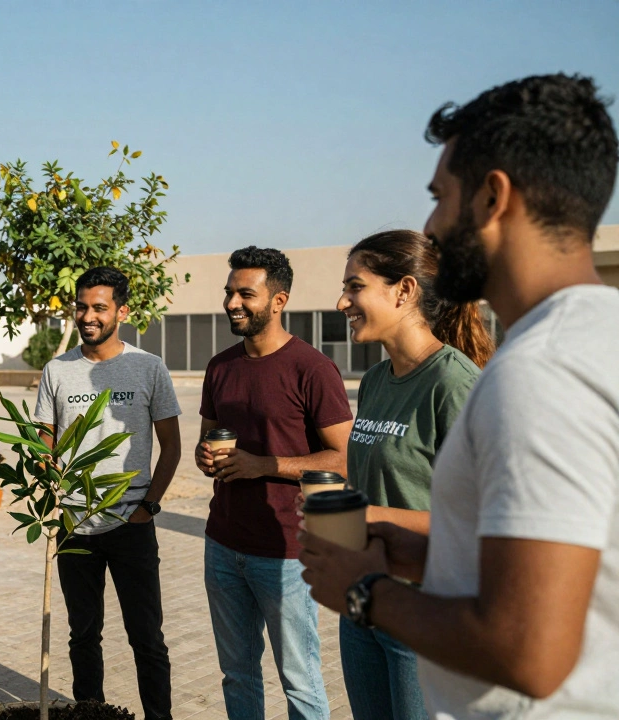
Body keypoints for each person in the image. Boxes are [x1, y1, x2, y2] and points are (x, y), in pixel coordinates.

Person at [299, 73, 619, 719]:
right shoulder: (596, 337)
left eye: (439, 196)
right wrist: (414, 549)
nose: (432, 225)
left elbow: (528, 650)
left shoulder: (540, 373)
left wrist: (364, 591)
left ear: (493, 197)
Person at [332, 229, 493, 719]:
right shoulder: (377, 380)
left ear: (404, 290)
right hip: (362, 602)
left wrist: (364, 513)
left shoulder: (454, 384)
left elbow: (482, 525)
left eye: (355, 286)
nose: (342, 302)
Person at [196, 246, 353, 720]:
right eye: (229, 293)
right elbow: (209, 440)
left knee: (300, 681)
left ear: (278, 301)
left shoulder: (312, 368)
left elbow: (345, 460)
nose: (232, 303)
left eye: (246, 293)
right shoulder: (220, 366)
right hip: (222, 545)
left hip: (285, 552)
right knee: (237, 675)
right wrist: (208, 457)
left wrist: (263, 466)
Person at [34, 267, 182, 720]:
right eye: (81, 306)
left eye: (99, 307)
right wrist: (51, 486)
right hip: (75, 525)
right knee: (83, 635)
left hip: (131, 524)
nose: (88, 316)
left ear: (123, 311)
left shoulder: (148, 366)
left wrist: (148, 506)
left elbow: (172, 446)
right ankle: (89, 714)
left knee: (147, 638)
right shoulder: (57, 369)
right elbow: (43, 440)